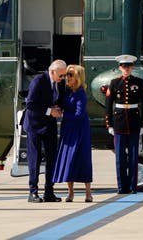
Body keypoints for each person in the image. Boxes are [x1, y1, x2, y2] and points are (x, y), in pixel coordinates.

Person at [22, 59, 66, 203]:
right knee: (35, 159)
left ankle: (49, 191)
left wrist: (59, 109)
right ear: (52, 72)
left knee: (52, 158)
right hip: (35, 125)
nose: (63, 78)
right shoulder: (39, 81)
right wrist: (49, 111)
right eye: (61, 75)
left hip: (49, 125)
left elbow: (59, 100)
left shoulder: (59, 83)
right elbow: (30, 104)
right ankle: (33, 192)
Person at [105, 54, 143, 194]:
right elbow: (108, 105)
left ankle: (132, 186)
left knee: (133, 157)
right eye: (124, 66)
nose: (126, 69)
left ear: (132, 67)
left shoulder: (139, 82)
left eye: (129, 66)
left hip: (134, 122)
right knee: (120, 158)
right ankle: (121, 187)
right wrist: (109, 125)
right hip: (119, 124)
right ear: (120, 68)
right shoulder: (114, 83)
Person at [52, 65, 93, 203]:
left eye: (70, 75)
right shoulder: (67, 91)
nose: (67, 77)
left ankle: (88, 192)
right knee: (69, 160)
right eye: (67, 75)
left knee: (82, 159)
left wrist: (63, 115)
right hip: (68, 128)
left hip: (79, 129)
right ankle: (70, 192)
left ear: (77, 77)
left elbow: (79, 114)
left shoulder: (80, 93)